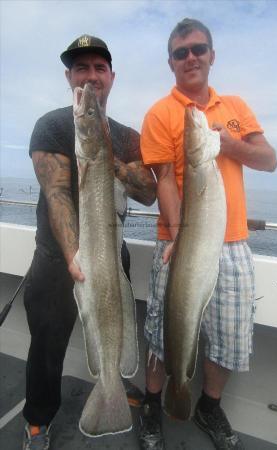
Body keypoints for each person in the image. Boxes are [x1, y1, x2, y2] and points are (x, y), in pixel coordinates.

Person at [139, 18, 277, 450]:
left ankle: (209, 406)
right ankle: (153, 402)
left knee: (231, 334)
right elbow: (163, 178)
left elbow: (269, 160)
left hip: (232, 242)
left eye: (198, 49)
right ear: (171, 63)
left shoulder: (235, 106)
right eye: (181, 53)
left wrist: (229, 145)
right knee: (166, 331)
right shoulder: (161, 114)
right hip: (178, 239)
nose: (191, 58)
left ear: (212, 55)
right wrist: (177, 231)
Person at [22, 34, 156, 450]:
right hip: (56, 258)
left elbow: (148, 192)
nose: (92, 76)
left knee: (114, 330)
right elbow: (58, 194)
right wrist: (73, 258)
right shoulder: (53, 124)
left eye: (100, 68)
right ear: (69, 77)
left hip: (111, 257)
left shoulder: (127, 135)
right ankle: (37, 421)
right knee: (47, 343)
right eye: (82, 68)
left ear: (112, 76)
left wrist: (103, 152)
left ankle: (112, 386)